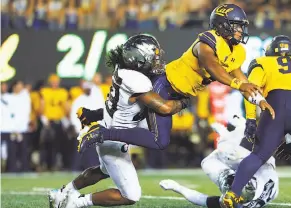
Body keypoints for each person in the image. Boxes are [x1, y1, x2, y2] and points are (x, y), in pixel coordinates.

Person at [77, 4, 275, 152]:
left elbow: (243, 80)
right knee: (158, 139)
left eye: (241, 26)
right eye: (236, 26)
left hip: (176, 90)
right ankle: (102, 133)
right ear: (222, 25)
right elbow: (212, 66)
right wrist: (238, 84)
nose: (241, 31)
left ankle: (92, 115)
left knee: (135, 113)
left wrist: (260, 100)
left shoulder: (238, 51)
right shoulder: (208, 40)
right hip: (164, 84)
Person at [48, 34, 189, 208]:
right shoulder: (137, 80)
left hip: (108, 128)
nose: (157, 61)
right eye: (153, 57)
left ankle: (62, 193)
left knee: (103, 171)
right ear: (138, 59)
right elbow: (165, 108)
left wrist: (95, 114)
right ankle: (77, 203)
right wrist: (184, 101)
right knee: (131, 195)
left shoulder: (122, 69)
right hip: (113, 137)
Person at [222, 35, 291, 208]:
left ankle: (232, 194)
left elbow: (251, 89)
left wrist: (251, 119)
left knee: (258, 155)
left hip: (275, 106)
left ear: (271, 51)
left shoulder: (263, 62)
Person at [160, 115, 280, 208]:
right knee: (233, 152)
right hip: (262, 164)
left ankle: (228, 137)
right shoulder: (267, 176)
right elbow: (265, 153)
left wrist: (177, 188)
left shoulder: (232, 201)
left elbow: (204, 200)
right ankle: (237, 130)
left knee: (208, 162)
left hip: (249, 164)